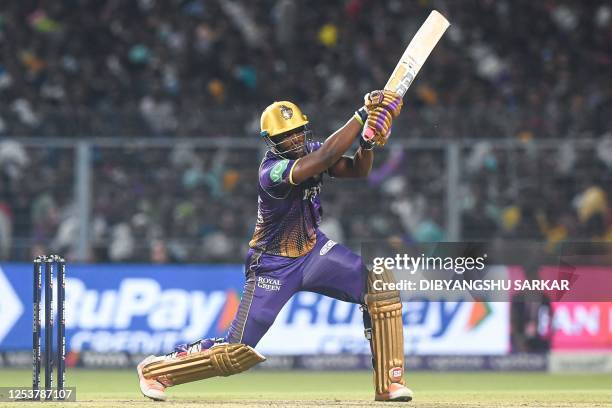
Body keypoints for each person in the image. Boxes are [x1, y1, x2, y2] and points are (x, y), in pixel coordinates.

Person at [136, 90, 412, 402]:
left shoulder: (311, 147)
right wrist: (363, 115)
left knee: (379, 287)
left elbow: (357, 171)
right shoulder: (272, 172)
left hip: (313, 252)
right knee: (236, 350)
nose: (294, 140)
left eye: (297, 132)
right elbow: (322, 160)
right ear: (272, 141)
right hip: (272, 264)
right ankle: (158, 370)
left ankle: (389, 383)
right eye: (285, 136)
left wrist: (367, 142)